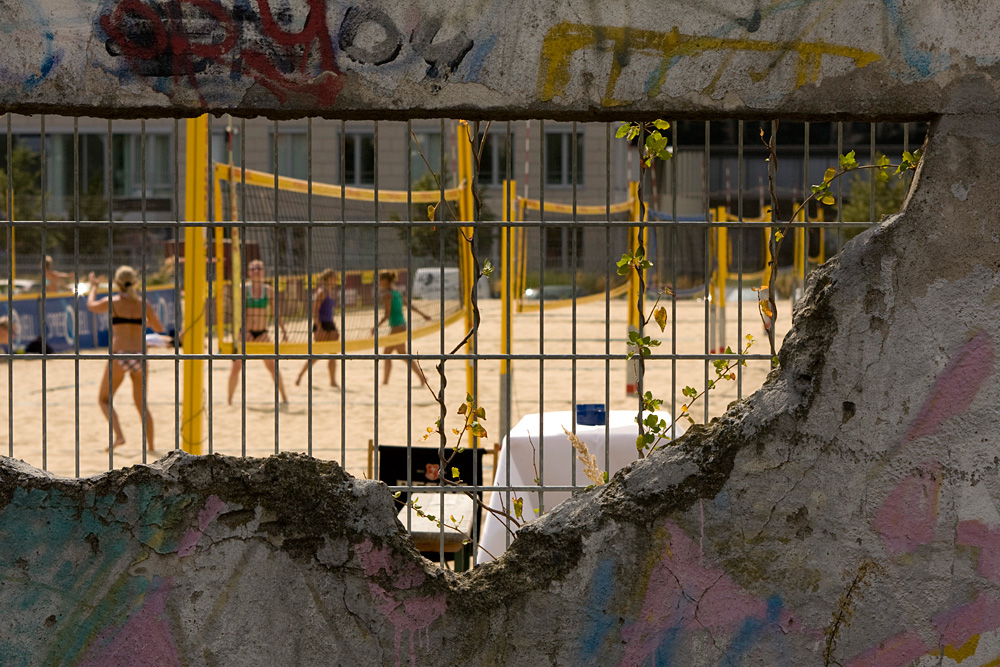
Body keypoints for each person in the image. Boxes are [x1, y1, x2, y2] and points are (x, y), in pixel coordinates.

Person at [86, 266, 164, 452]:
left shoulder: (112, 302)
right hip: (139, 355)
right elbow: (159, 328)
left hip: (119, 353)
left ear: (117, 283)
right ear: (134, 282)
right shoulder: (143, 304)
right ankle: (151, 447)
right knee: (141, 405)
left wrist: (94, 288)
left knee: (104, 399)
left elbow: (91, 306)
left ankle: (119, 435)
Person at [227, 259, 289, 406]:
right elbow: (238, 313)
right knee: (236, 367)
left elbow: (276, 313)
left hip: (262, 333)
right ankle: (229, 401)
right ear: (249, 272)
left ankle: (284, 398)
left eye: (259, 268)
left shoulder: (268, 290)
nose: (256, 271)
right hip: (245, 333)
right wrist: (245, 330)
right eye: (253, 269)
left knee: (273, 366)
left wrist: (284, 331)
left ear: (263, 272)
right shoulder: (243, 289)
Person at [374, 271, 431, 386]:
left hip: (397, 327)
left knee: (389, 354)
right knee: (399, 354)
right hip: (402, 325)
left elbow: (387, 314)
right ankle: (421, 378)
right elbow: (411, 306)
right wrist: (423, 315)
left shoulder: (388, 295)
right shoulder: (397, 293)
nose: (378, 282)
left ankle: (386, 382)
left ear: (385, 281)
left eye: (380, 280)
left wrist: (375, 327)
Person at [295, 268, 340, 388]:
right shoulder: (322, 292)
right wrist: (319, 327)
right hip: (321, 325)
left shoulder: (331, 291)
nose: (336, 279)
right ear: (328, 278)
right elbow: (314, 311)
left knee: (333, 354)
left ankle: (332, 381)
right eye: (334, 277)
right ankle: (300, 375)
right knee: (316, 354)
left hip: (330, 323)